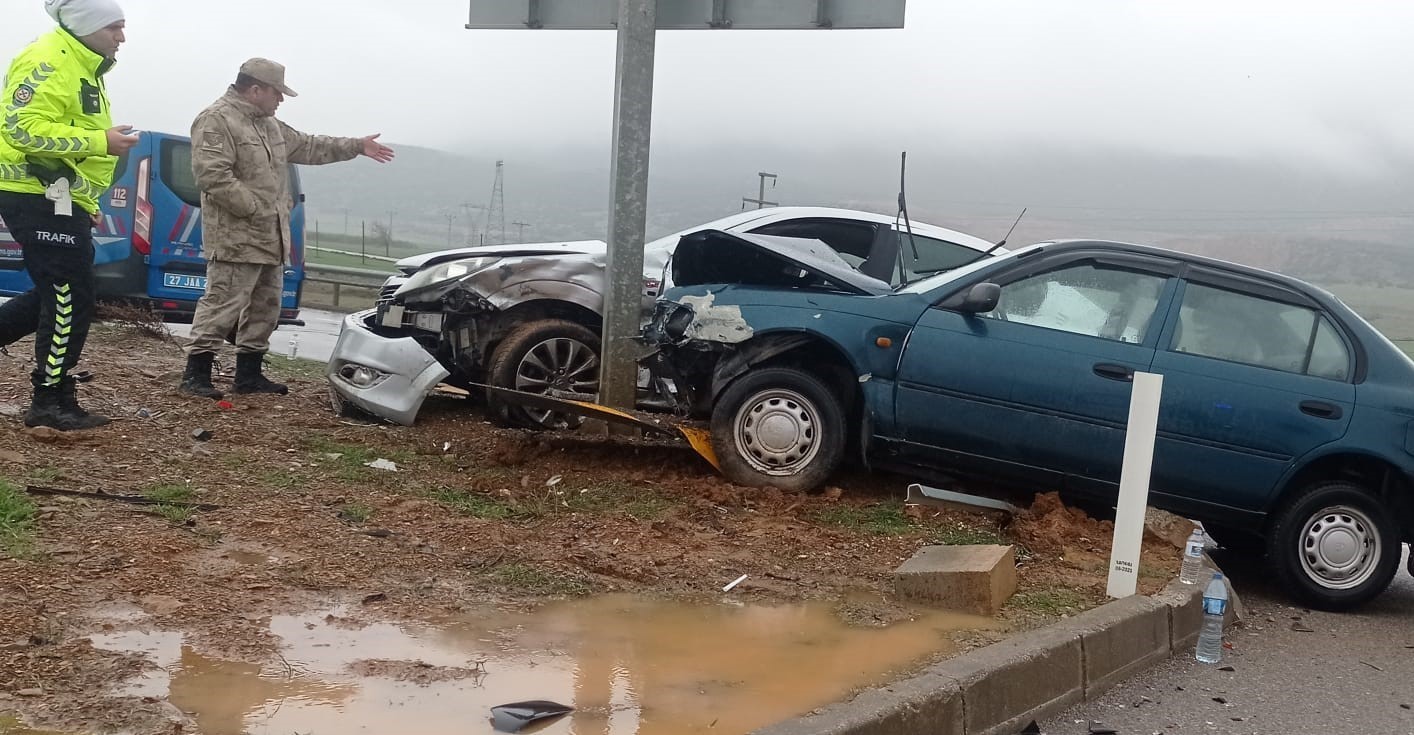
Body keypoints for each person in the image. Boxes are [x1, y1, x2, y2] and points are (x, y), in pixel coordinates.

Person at [179, 58, 394, 399]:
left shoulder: (269, 125)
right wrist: (254, 208)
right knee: (222, 303)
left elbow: (309, 145)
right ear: (255, 89)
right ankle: (196, 374)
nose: (280, 100)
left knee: (266, 306)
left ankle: (248, 375)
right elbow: (212, 176)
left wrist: (356, 146)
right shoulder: (216, 120)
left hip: (272, 237)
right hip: (236, 237)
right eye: (277, 93)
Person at [0, 0, 137, 431]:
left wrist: (86, 204)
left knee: (56, 292)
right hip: (33, 192)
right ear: (87, 26)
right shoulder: (48, 59)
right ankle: (48, 400)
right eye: (115, 27)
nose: (122, 36)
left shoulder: (84, 66)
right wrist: (101, 141)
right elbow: (19, 127)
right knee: (69, 296)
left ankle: (52, 393)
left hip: (61, 199)